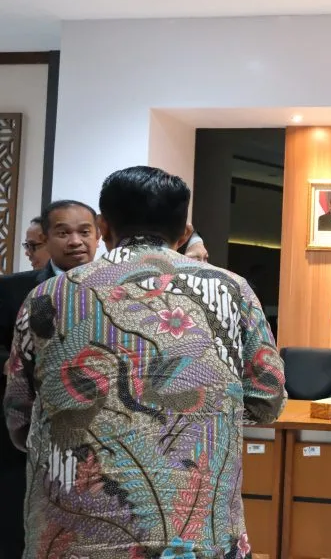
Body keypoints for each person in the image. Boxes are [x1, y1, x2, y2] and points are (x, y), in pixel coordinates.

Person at [3, 166, 287, 558]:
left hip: (72, 534)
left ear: (103, 227)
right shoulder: (232, 290)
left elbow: (19, 415)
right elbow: (267, 399)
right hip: (198, 533)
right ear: (184, 232)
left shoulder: (46, 295)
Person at [0, 199, 99, 559]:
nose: (76, 241)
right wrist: (20, 362)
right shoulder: (14, 290)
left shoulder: (114, 289)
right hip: (25, 434)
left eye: (84, 232)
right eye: (63, 233)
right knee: (19, 530)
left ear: (99, 235)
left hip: (93, 433)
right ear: (45, 238)